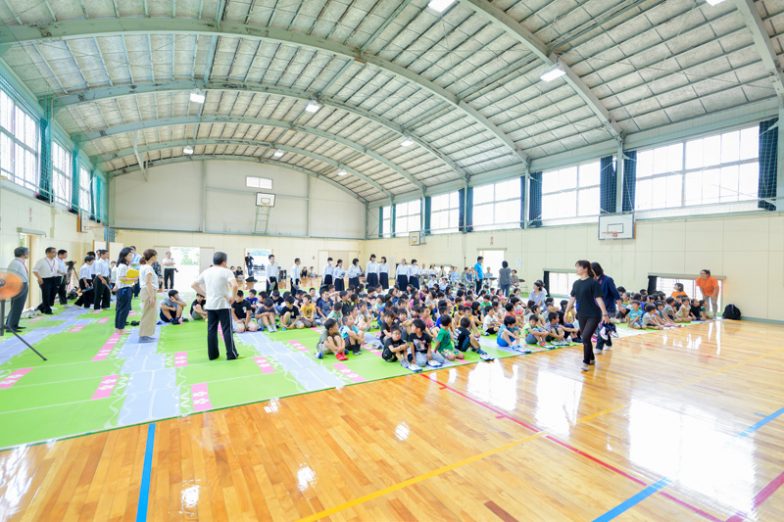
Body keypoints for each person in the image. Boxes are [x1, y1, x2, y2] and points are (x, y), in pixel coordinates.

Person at [192, 251, 239, 360]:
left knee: (211, 330)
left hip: (210, 305)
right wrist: (232, 297)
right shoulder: (227, 272)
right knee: (227, 330)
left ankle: (213, 355)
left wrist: (205, 294)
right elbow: (235, 286)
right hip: (223, 304)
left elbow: (194, 285)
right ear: (224, 261)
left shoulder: (206, 271)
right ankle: (231, 354)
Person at [565, 260, 611, 371]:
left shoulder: (593, 283)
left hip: (594, 315)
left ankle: (585, 363)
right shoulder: (576, 283)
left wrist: (605, 314)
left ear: (585, 268)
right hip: (581, 314)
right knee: (585, 338)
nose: (576, 269)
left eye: (578, 267)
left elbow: (599, 299)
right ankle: (591, 358)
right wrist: (566, 311)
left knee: (585, 337)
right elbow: (572, 298)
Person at [592, 262, 620, 352]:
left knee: (602, 328)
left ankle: (598, 347)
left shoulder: (608, 280)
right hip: (597, 308)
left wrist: (620, 306)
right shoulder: (593, 280)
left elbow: (616, 294)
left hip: (608, 308)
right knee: (604, 327)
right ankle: (608, 343)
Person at [5, 247, 29, 332]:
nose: (28, 254)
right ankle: (11, 326)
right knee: (17, 306)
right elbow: (11, 276)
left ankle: (11, 324)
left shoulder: (20, 262)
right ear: (23, 254)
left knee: (17, 306)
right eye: (27, 252)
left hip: (22, 284)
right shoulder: (15, 263)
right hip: (18, 285)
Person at [138, 249, 159, 342]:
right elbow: (148, 282)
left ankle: (145, 335)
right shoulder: (148, 268)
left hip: (146, 291)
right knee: (148, 314)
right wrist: (151, 296)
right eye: (156, 256)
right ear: (152, 257)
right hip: (148, 292)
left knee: (148, 313)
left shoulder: (144, 266)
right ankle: (144, 336)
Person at [114, 248, 135, 335]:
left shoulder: (124, 265)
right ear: (124, 256)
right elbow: (122, 278)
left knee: (120, 309)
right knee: (123, 310)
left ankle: (119, 328)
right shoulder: (123, 266)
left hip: (124, 289)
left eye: (131, 255)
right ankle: (120, 329)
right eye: (129, 255)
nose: (131, 256)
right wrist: (134, 278)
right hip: (125, 289)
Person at [33, 247, 58, 315]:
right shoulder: (41, 261)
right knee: (46, 295)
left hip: (53, 279)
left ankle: (41, 307)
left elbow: (55, 270)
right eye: (53, 252)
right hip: (44, 279)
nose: (55, 253)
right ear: (48, 253)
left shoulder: (55, 261)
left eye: (55, 252)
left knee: (53, 295)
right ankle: (47, 310)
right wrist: (39, 278)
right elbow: (35, 270)